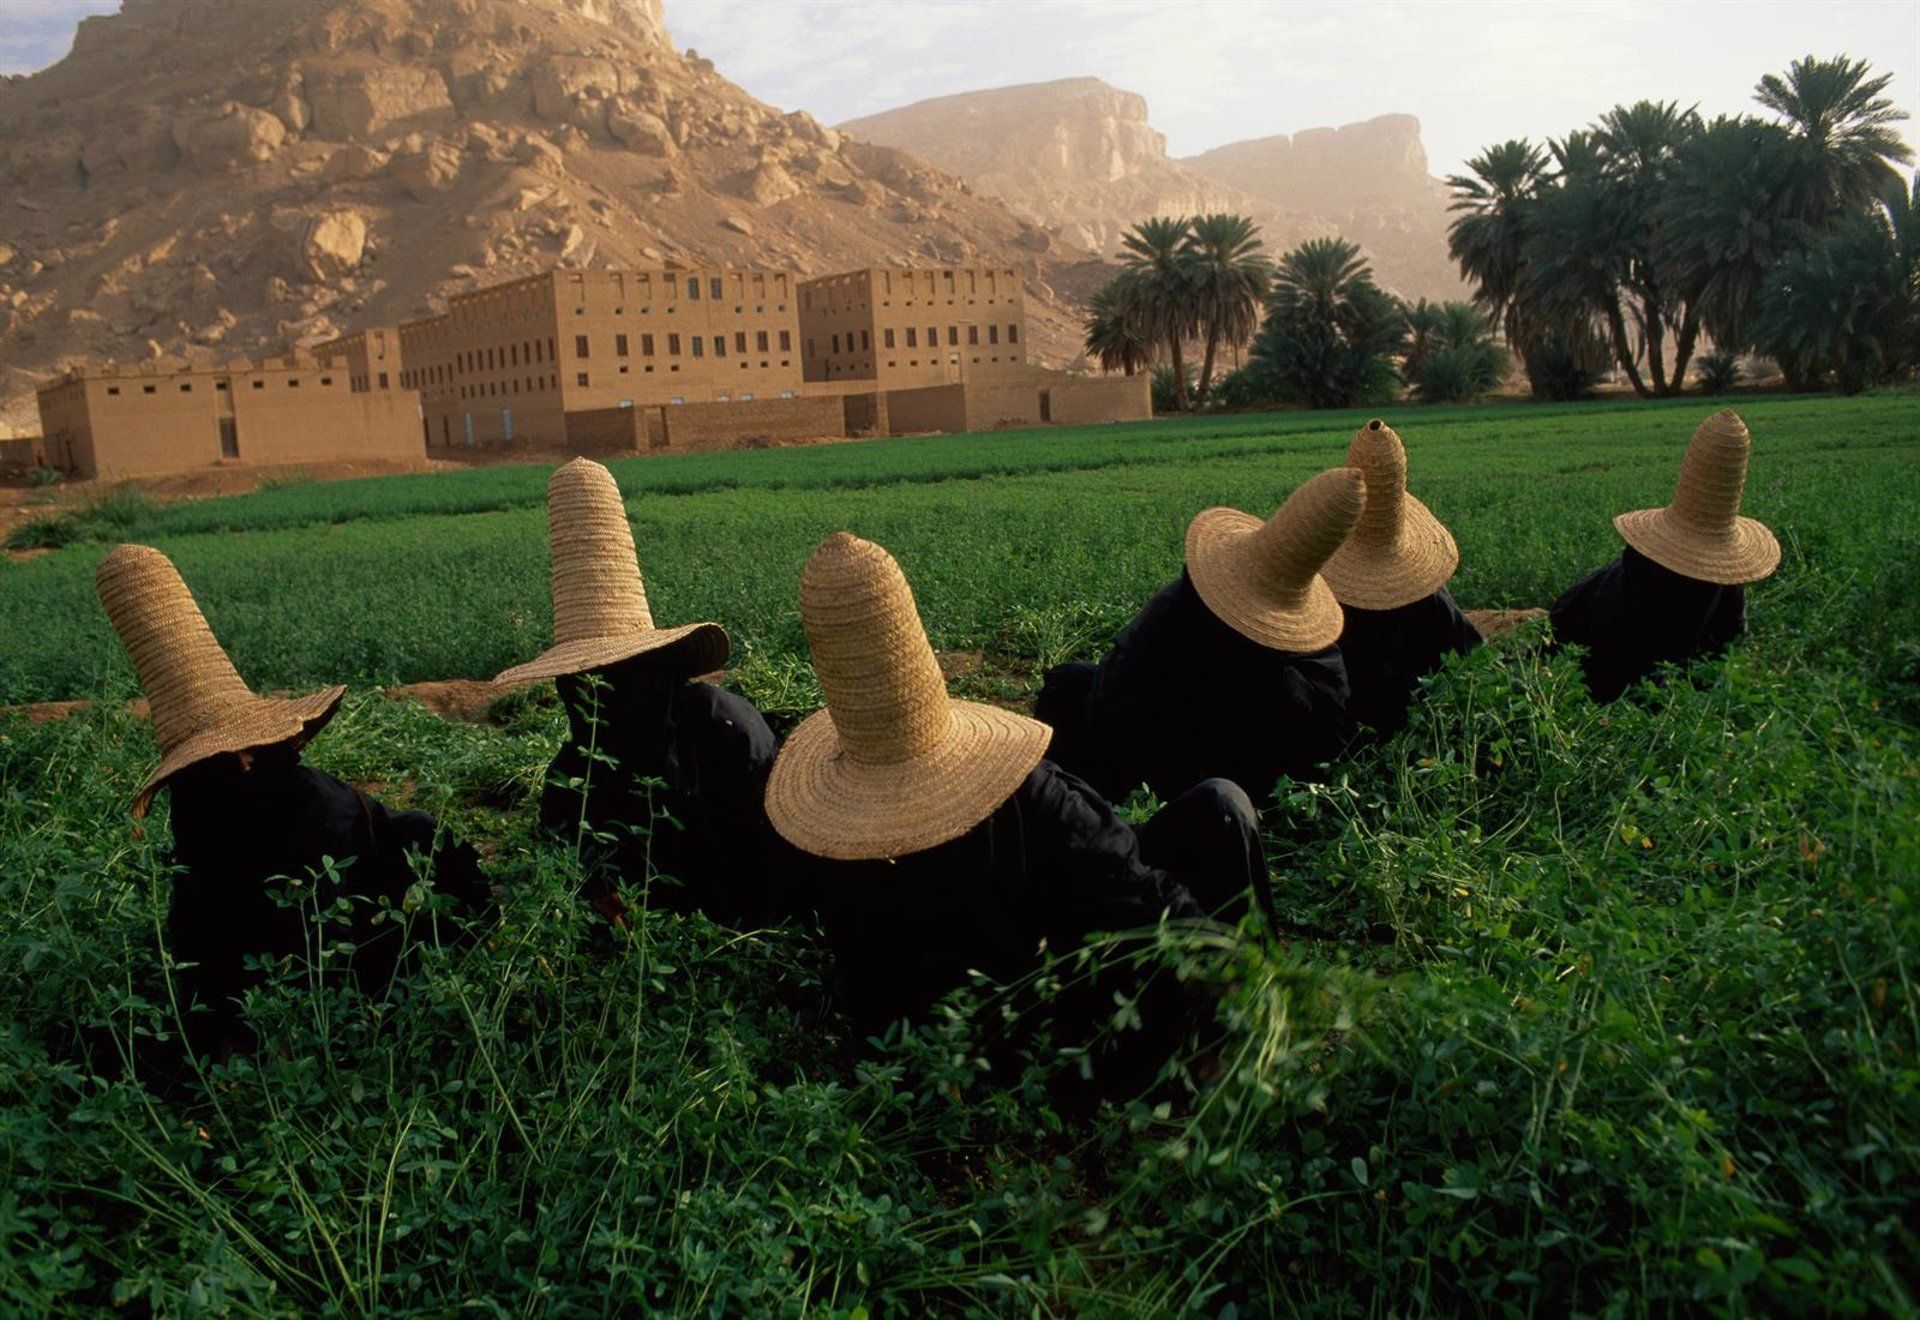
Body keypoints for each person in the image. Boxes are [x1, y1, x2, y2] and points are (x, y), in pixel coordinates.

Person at [763, 532, 1270, 1072]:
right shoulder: (1033, 795)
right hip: (1074, 1031)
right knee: (1220, 808)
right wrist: (1236, 974)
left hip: (966, 1053)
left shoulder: (829, 844)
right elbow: (1138, 893)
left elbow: (877, 1010)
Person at [95, 544, 493, 1061]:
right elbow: (203, 944)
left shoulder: (318, 812)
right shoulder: (204, 816)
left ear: (249, 757)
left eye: (233, 757)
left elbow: (334, 940)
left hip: (373, 971)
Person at [496, 457, 789, 928]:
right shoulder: (572, 780)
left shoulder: (725, 733)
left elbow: (771, 874)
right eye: (583, 681)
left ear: (656, 668)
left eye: (617, 674)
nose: (598, 694)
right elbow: (576, 882)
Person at [1035, 468, 1365, 808]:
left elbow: (1116, 702)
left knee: (1071, 684)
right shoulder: (1318, 666)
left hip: (1194, 786)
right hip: (1174, 759)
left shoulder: (1294, 683)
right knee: (1070, 683)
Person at [1551, 409, 1780, 702]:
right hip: (1587, 643)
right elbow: (1611, 672)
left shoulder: (1727, 588)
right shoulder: (1633, 583)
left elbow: (1726, 650)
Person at [1320, 419, 1481, 734]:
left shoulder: (1320, 590)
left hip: (1341, 742)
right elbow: (1473, 657)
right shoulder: (1429, 597)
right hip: (1417, 733)